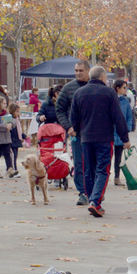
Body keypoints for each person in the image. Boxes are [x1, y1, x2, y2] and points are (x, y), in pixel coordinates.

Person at [70, 66, 130, 217]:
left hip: (86, 138)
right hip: (104, 138)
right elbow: (118, 117)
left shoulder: (79, 93)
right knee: (102, 169)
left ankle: (92, 198)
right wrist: (125, 138)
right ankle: (95, 202)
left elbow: (74, 117)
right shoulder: (109, 93)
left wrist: (76, 129)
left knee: (88, 170)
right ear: (103, 78)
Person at [57, 60, 90, 205]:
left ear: (88, 71)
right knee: (79, 163)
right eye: (76, 70)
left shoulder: (94, 86)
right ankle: (83, 193)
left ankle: (94, 191)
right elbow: (60, 109)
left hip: (94, 132)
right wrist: (68, 127)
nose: (78, 73)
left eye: (81, 70)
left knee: (93, 164)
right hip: (76, 134)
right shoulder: (68, 88)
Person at [112, 79, 134, 186]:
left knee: (118, 157)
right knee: (106, 156)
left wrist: (128, 128)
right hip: (110, 132)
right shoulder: (110, 100)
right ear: (118, 88)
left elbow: (129, 116)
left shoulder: (126, 101)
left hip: (121, 133)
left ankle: (117, 177)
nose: (126, 90)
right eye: (124, 87)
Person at [0, 96, 17, 178]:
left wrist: (11, 124)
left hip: (6, 138)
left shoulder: (6, 113)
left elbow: (13, 121)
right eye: (4, 103)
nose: (5, 105)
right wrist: (5, 126)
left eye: (6, 103)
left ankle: (10, 168)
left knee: (7, 153)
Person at [8, 102, 26, 178]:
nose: (18, 113)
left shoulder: (17, 120)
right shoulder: (10, 120)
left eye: (19, 111)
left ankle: (13, 170)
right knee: (13, 156)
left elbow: (19, 131)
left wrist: (23, 136)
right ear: (12, 111)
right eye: (17, 111)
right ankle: (13, 170)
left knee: (15, 156)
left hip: (16, 141)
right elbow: (11, 131)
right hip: (12, 141)